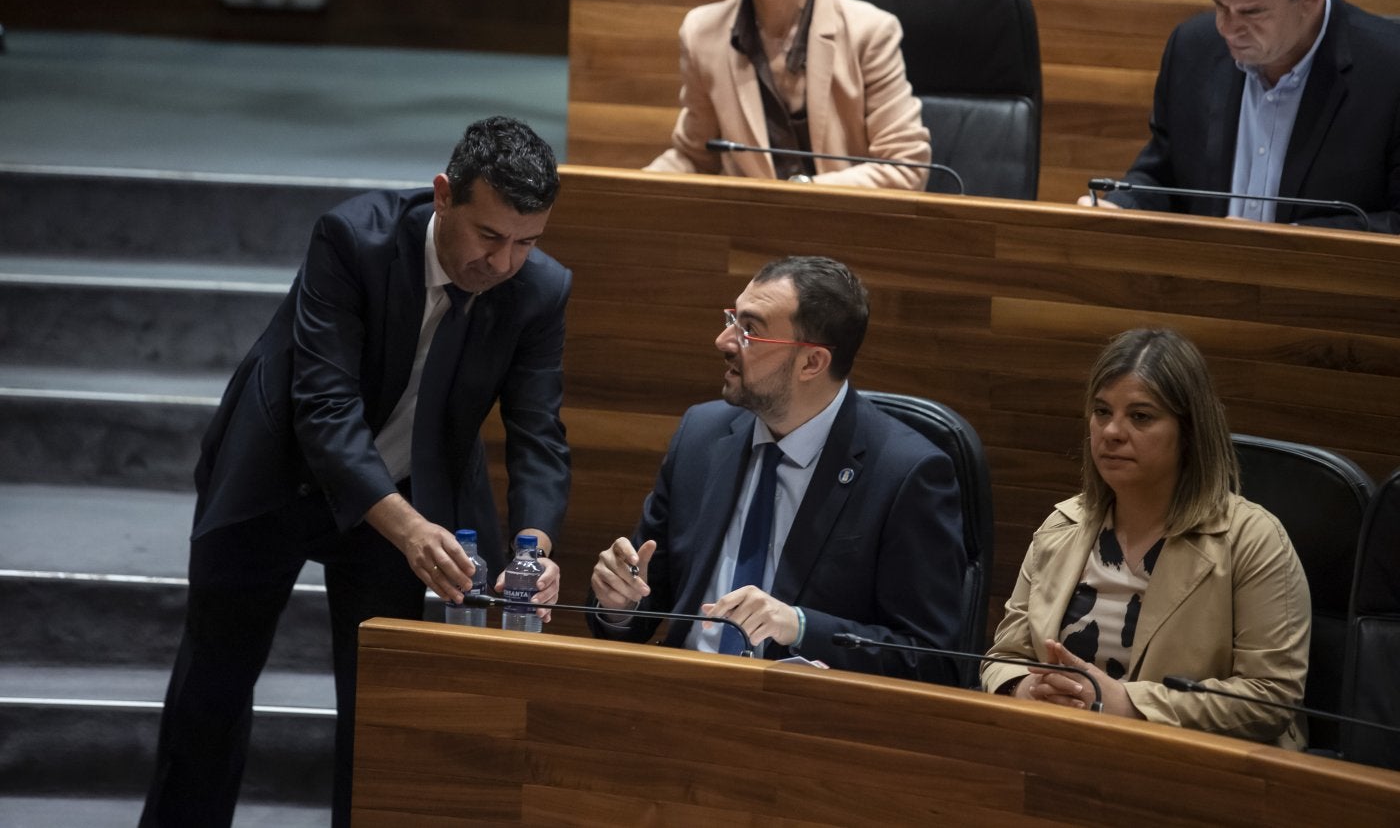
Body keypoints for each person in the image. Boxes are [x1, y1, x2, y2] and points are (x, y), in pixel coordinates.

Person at [141, 116, 572, 827]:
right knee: (213, 682)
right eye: (489, 236)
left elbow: (539, 434)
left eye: (526, 242)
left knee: (379, 709)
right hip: (277, 471)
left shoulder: (541, 291)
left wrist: (536, 547)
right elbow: (324, 408)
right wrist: (409, 530)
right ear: (443, 196)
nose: (503, 262)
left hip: (410, 487)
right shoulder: (353, 239)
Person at [587, 256, 966, 682]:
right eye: (733, 319)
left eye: (750, 330)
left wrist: (801, 626)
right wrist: (619, 605)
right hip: (681, 693)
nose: (723, 341)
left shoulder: (905, 473)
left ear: (812, 364)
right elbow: (643, 603)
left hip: (804, 721)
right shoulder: (702, 436)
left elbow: (933, 660)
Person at [981, 329, 1311, 747]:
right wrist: (1025, 690)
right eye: (1102, 411)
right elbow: (1004, 658)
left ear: (1188, 431)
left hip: (1194, 770)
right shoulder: (1061, 527)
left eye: (1140, 416)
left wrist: (1129, 704)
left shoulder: (1253, 540)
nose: (1112, 431)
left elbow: (1273, 699)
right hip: (1060, 748)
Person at [1081, 0, 1400, 233]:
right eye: (1219, 4)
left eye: (1250, 12)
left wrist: (1288, 244)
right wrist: (1119, 207)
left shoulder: (1389, 71)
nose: (1226, 28)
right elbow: (1164, 177)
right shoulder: (1193, 49)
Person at [644, 0, 932, 189]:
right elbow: (694, 158)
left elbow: (906, 167)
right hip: (748, 231)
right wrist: (625, 193)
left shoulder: (870, 32)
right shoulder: (702, 34)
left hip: (849, 226)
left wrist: (802, 191)